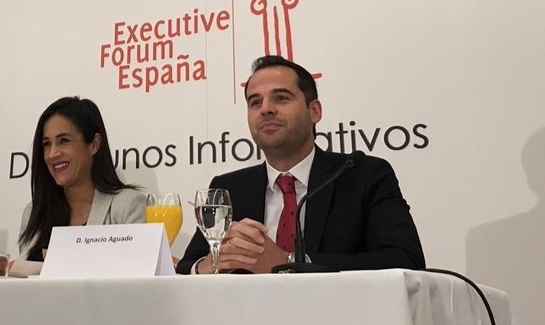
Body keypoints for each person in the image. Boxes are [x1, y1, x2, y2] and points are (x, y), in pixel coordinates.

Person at [177, 56, 425, 274]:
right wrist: (210, 264)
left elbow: (406, 260)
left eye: (281, 98)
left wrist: (289, 263)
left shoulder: (362, 175)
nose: (266, 109)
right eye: (255, 102)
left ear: (314, 111)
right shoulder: (230, 187)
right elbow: (187, 267)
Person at [18, 97, 147, 262]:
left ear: (94, 144)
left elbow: (136, 270)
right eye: (47, 144)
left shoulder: (127, 206)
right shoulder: (34, 212)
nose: (52, 154)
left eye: (64, 141)